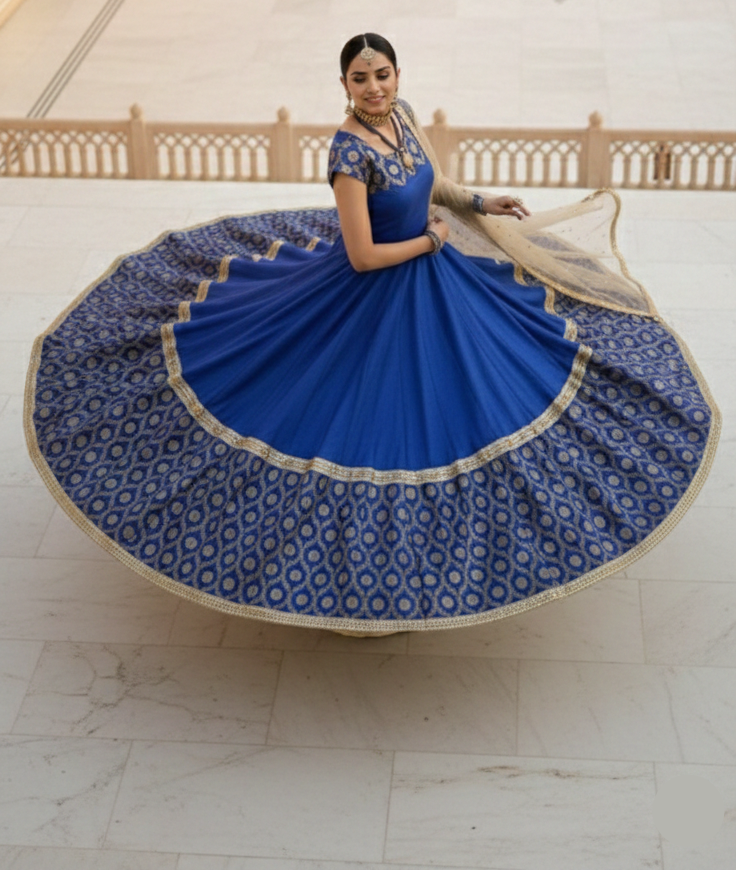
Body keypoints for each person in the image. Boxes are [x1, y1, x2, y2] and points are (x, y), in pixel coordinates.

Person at [26, 32, 719, 634]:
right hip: (376, 289)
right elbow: (359, 256)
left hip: (431, 275)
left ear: (397, 77)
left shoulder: (404, 120)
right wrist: (429, 244)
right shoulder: (346, 155)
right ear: (343, 86)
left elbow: (429, 180)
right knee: (362, 419)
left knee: (489, 381)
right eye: (361, 78)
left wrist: (479, 202)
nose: (375, 87)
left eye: (383, 74)